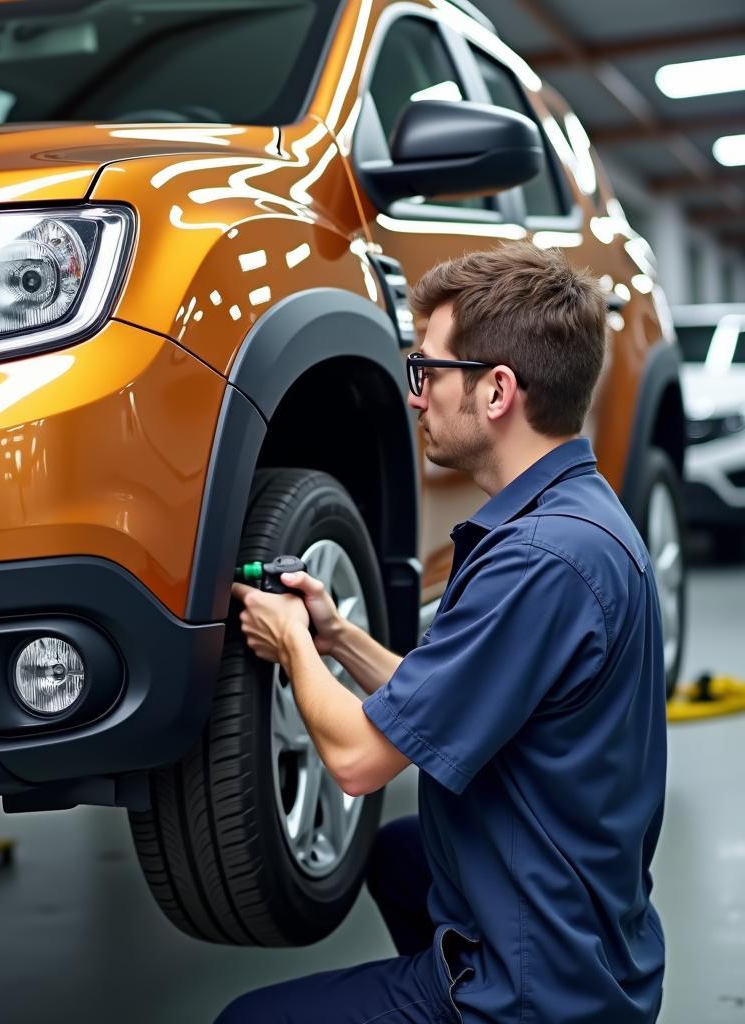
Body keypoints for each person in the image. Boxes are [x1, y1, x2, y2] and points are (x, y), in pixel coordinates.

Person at [219, 242, 667, 1023]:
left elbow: (359, 762)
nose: (415, 396)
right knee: (400, 858)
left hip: (539, 988)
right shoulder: (577, 520)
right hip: (595, 937)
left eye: (427, 371)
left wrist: (289, 640)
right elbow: (449, 701)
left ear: (497, 391)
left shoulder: (537, 560)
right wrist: (336, 636)